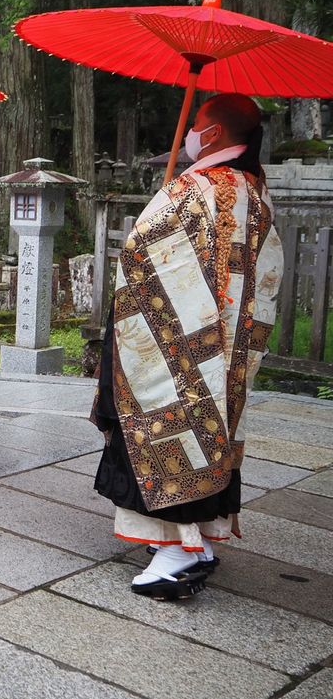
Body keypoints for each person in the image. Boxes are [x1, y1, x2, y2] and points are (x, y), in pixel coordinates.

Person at [93, 93, 284, 600]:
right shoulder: (256, 192)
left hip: (176, 342)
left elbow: (142, 255)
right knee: (215, 428)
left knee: (168, 428)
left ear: (215, 133)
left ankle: (180, 547)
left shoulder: (193, 187)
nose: (191, 133)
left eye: (198, 124)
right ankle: (205, 538)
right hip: (230, 346)